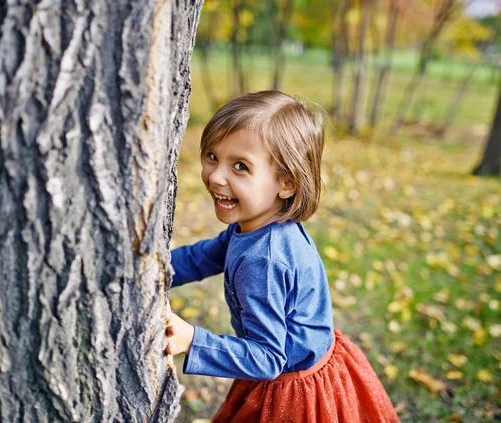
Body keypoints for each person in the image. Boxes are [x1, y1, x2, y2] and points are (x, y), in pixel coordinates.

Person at [165, 90, 400, 422]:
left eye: (240, 166)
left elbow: (266, 359)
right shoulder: (256, 226)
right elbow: (203, 257)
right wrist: (155, 271)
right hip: (308, 366)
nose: (216, 176)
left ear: (286, 183)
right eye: (212, 156)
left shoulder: (265, 260)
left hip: (292, 393)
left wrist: (192, 340)